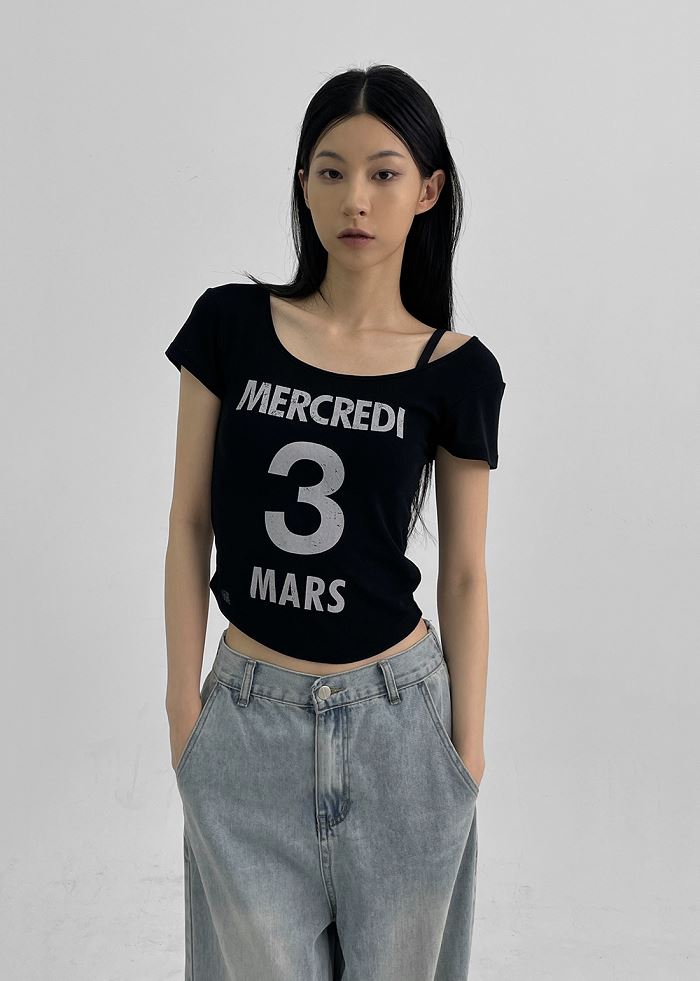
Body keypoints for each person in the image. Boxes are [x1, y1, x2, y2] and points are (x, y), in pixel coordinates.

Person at [164, 64, 506, 981]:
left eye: (385, 172)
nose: (356, 197)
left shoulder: (458, 371)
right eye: (331, 170)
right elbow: (189, 523)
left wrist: (465, 753)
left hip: (402, 730)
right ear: (303, 183)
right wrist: (183, 709)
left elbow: (465, 572)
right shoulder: (229, 326)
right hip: (246, 724)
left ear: (428, 190)